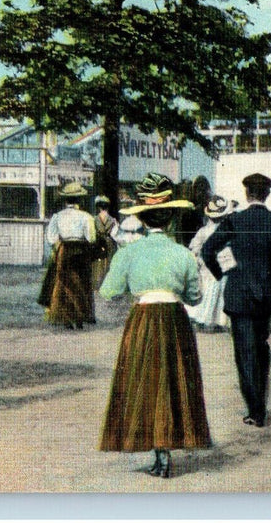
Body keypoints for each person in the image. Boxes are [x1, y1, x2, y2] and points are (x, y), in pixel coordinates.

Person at [99, 172, 210, 478]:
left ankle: (156, 450)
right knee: (174, 381)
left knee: (143, 381)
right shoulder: (183, 254)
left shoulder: (129, 252)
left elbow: (108, 291)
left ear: (143, 219)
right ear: (171, 217)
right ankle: (168, 446)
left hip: (143, 318)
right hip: (175, 319)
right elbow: (196, 297)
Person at [202, 172, 271, 428]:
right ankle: (260, 404)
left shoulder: (235, 220)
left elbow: (209, 250)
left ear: (246, 193)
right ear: (267, 194)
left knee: (244, 352)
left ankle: (255, 409)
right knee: (261, 347)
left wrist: (224, 273)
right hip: (264, 297)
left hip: (238, 294)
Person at [38, 182, 97, 330]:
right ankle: (80, 317)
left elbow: (51, 237)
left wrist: (58, 246)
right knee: (81, 283)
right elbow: (91, 238)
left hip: (64, 250)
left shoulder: (58, 216)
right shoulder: (86, 217)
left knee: (63, 284)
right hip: (80, 250)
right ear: (80, 200)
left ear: (65, 200)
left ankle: (65, 317)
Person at [186, 196, 232, 332]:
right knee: (220, 293)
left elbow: (194, 247)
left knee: (206, 290)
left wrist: (198, 258)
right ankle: (218, 320)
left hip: (206, 265)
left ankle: (202, 319)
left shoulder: (203, 230)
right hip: (222, 264)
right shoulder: (226, 231)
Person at [91, 195, 119, 298]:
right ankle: (107, 287)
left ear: (98, 207)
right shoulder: (113, 220)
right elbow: (115, 234)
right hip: (109, 243)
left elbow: (92, 233)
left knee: (97, 264)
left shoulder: (93, 219)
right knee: (109, 263)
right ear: (107, 207)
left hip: (97, 243)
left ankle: (96, 286)